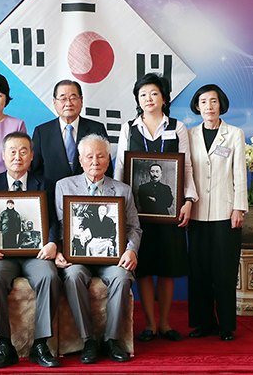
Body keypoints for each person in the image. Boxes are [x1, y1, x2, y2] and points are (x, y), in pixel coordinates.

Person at [114, 73, 198, 342]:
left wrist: (188, 200)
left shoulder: (178, 127)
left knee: (167, 266)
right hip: (135, 213)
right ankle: (149, 324)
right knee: (145, 267)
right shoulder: (129, 128)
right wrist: (116, 206)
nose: (148, 99)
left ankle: (164, 323)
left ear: (164, 98)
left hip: (169, 212)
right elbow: (119, 168)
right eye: (142, 95)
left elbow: (185, 167)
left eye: (153, 93)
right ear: (138, 100)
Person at [55, 134, 142, 364]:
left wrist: (131, 250)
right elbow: (59, 226)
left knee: (122, 277)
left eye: (101, 156)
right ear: (80, 160)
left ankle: (111, 340)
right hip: (77, 258)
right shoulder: (63, 186)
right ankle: (88, 340)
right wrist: (59, 251)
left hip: (112, 258)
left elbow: (134, 227)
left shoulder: (122, 190)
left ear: (109, 159)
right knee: (73, 276)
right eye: (89, 156)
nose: (95, 161)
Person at [0, 132, 61, 369]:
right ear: (3, 155)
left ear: (32, 156)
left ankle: (40, 345)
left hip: (36, 254)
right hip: (2, 254)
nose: (18, 156)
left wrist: (53, 242)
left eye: (23, 151)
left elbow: (55, 220)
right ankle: (4, 345)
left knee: (48, 275)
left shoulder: (46, 184)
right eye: (12, 151)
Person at [187, 84, 247, 342]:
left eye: (213, 101)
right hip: (197, 213)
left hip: (226, 212)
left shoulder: (234, 134)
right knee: (199, 271)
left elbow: (239, 173)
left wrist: (239, 207)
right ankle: (203, 323)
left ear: (221, 104)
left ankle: (226, 326)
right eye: (203, 102)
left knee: (224, 270)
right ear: (197, 107)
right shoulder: (188, 135)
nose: (209, 107)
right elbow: (186, 172)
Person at [31, 79, 111, 183]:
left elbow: (106, 167)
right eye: (63, 99)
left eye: (73, 98)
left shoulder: (96, 129)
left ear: (81, 100)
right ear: (55, 102)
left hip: (88, 194)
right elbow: (36, 171)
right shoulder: (42, 132)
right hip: (53, 194)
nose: (68, 103)